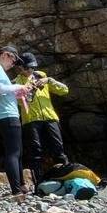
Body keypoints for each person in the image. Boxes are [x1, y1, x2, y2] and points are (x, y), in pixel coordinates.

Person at [0, 45, 33, 198]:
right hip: (6, 114)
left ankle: (22, 186)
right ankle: (16, 190)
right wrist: (19, 86)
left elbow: (1, 92)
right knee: (13, 152)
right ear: (5, 55)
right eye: (14, 59)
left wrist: (16, 94)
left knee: (16, 151)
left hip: (1, 114)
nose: (13, 64)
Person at [14, 52, 70, 186]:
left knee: (58, 149)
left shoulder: (42, 76)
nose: (30, 70)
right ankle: (39, 183)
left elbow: (64, 90)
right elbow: (20, 102)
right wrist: (30, 90)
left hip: (50, 117)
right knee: (35, 152)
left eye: (32, 67)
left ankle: (66, 179)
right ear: (20, 67)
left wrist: (50, 80)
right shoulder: (16, 82)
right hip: (31, 120)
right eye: (27, 68)